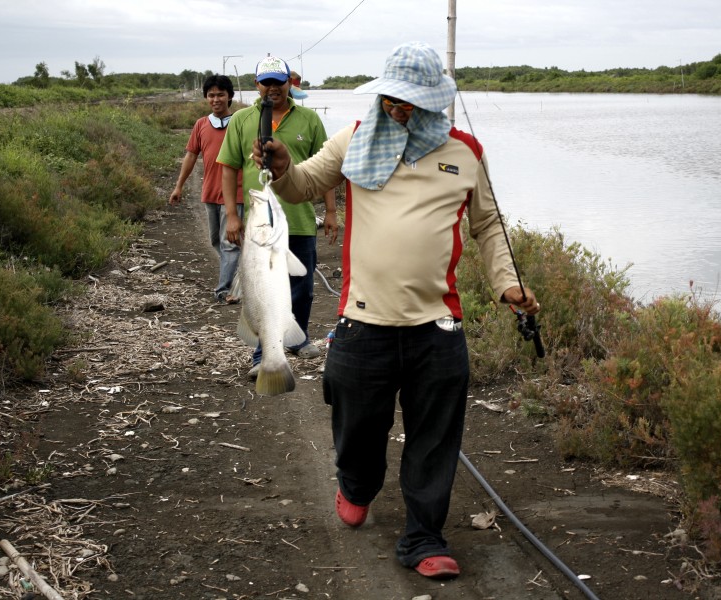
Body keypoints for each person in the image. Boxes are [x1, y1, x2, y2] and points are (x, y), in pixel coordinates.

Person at [251, 42, 540, 579]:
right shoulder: (355, 139)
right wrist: (284, 166)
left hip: (437, 326)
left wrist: (509, 285)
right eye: (392, 96)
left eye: (411, 100)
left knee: (435, 440)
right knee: (356, 424)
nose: (398, 107)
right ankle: (357, 485)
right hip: (363, 324)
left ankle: (423, 537)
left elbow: (488, 225)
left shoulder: (465, 152)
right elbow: (304, 184)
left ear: (434, 100)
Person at [218, 55, 338, 377]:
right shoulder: (242, 120)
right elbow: (228, 169)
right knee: (263, 287)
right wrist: (232, 215)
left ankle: (297, 338)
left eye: (278, 82)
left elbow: (327, 169)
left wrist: (330, 210)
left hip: (299, 218)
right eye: (266, 82)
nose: (273, 88)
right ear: (256, 84)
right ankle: (263, 353)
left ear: (290, 83)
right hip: (259, 226)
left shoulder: (310, 120)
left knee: (303, 286)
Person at [169, 75, 244, 303]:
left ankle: (224, 290)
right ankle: (238, 278)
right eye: (211, 95)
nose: (216, 99)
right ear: (206, 98)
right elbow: (191, 155)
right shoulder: (201, 124)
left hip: (236, 194)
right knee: (216, 241)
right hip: (210, 192)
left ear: (229, 96)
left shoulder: (240, 123)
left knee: (229, 243)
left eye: (221, 94)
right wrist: (178, 186)